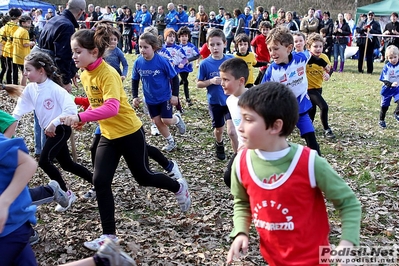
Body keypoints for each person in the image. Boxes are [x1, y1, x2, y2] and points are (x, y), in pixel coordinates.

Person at [61, 24, 191, 251]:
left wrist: (82, 115)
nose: (73, 56)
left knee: (143, 177)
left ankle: (178, 187)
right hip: (108, 135)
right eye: (73, 51)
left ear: (94, 52)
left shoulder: (108, 73)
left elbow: (111, 108)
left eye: (77, 51)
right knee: (100, 181)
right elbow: (97, 101)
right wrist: (83, 116)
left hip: (130, 132)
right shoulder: (84, 74)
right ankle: (108, 236)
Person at [226, 82, 361, 265]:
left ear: (275, 126)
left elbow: (348, 203)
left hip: (313, 260)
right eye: (240, 119)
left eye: (248, 120)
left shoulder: (310, 163)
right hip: (272, 259)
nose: (239, 127)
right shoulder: (241, 164)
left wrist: (348, 241)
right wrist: (241, 231)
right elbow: (242, 202)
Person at [0, 133, 136, 266]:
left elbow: (27, 162)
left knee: (60, 163)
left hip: (8, 227)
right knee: (65, 163)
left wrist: (4, 202)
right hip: (13, 227)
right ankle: (104, 259)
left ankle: (60, 190)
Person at [11, 52, 93, 212]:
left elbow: (70, 109)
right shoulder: (31, 89)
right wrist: (8, 129)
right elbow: (17, 112)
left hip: (61, 129)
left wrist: (54, 123)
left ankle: (65, 194)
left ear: (41, 70)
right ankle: (98, 182)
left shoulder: (55, 89)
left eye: (28, 70)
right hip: (50, 131)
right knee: (67, 164)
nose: (25, 74)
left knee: (44, 161)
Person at [261, 26, 324, 155]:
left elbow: (313, 57)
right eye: (270, 49)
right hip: (281, 112)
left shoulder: (301, 58)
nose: (272, 53)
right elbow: (262, 92)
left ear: (289, 48)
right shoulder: (271, 71)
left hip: (300, 108)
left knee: (312, 142)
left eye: (276, 49)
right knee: (276, 141)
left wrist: (326, 66)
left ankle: (317, 166)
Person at [132, 30, 186, 152]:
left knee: (166, 120)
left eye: (146, 47)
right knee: (157, 121)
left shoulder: (162, 61)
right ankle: (170, 141)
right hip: (150, 99)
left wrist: (175, 95)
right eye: (140, 47)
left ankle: (176, 119)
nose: (142, 50)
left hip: (164, 97)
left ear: (154, 47)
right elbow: (135, 80)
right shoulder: (138, 62)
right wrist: (135, 96)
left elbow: (174, 78)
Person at [197, 28, 237, 160]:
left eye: (218, 44)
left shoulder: (231, 60)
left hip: (231, 100)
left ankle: (237, 156)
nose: (215, 47)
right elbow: (199, 83)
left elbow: (239, 77)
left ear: (225, 44)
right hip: (215, 101)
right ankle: (219, 143)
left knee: (232, 131)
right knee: (219, 129)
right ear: (208, 46)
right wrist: (211, 81)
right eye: (212, 45)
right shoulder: (205, 64)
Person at [33, 0, 86, 93]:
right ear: (81, 12)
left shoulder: (53, 20)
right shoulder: (67, 26)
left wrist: (71, 72)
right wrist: (65, 81)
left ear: (66, 5)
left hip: (39, 67)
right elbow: (62, 56)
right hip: (51, 72)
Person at [219, 57, 248, 187]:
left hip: (256, 151)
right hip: (241, 150)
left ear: (241, 81)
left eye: (226, 80)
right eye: (221, 79)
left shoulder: (254, 100)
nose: (222, 83)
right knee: (229, 178)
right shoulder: (230, 101)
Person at [306, 33, 335, 138]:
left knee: (312, 109)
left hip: (318, 87)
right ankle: (327, 129)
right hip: (308, 89)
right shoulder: (306, 57)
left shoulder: (324, 57)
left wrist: (328, 74)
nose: (318, 49)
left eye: (320, 46)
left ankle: (308, 128)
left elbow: (330, 68)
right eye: (315, 46)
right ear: (309, 47)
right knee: (324, 107)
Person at [163, 28, 188, 113]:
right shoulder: (162, 48)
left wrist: (182, 63)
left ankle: (178, 108)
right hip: (163, 74)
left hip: (173, 73)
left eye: (173, 36)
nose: (172, 38)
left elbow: (185, 58)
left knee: (174, 90)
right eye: (170, 36)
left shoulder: (178, 48)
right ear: (165, 37)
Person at [177, 26, 200, 106]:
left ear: (188, 37)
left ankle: (173, 86)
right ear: (179, 37)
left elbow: (197, 55)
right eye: (182, 36)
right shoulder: (177, 47)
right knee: (185, 81)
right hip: (179, 67)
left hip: (187, 67)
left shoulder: (191, 46)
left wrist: (188, 60)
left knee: (183, 80)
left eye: (186, 36)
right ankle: (187, 99)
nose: (184, 38)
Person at [378, 45, 399, 129]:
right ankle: (381, 120)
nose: (393, 59)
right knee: (384, 106)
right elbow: (384, 79)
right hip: (387, 89)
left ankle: (397, 113)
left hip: (397, 88)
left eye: (395, 57)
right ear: (387, 58)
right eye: (390, 58)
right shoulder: (387, 67)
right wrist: (390, 84)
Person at [13, 15, 35, 86]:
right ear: (23, 23)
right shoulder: (25, 31)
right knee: (25, 73)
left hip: (17, 54)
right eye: (28, 23)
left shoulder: (17, 30)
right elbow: (25, 44)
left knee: (22, 72)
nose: (30, 24)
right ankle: (23, 87)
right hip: (23, 55)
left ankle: (21, 86)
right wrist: (32, 43)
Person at [3, 8, 21, 85]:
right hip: (14, 48)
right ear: (18, 16)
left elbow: (3, 35)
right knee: (15, 68)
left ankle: (8, 83)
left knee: (8, 68)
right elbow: (15, 37)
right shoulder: (16, 26)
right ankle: (15, 84)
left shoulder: (6, 25)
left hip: (7, 47)